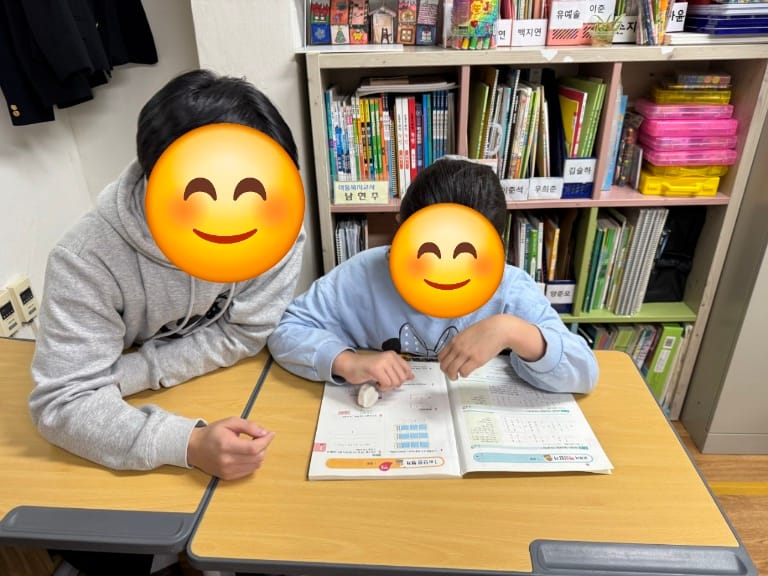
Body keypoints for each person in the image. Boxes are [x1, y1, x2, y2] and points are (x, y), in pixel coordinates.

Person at [29, 69, 306, 482]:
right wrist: (188, 443)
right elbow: (62, 403)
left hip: (194, 387)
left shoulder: (272, 229)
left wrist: (132, 373)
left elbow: (247, 332)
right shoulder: (85, 259)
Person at [268, 158, 597, 395]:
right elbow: (287, 329)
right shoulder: (363, 273)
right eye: (426, 252)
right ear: (400, 227)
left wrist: (513, 331)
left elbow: (584, 372)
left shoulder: (509, 287)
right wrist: (345, 362)